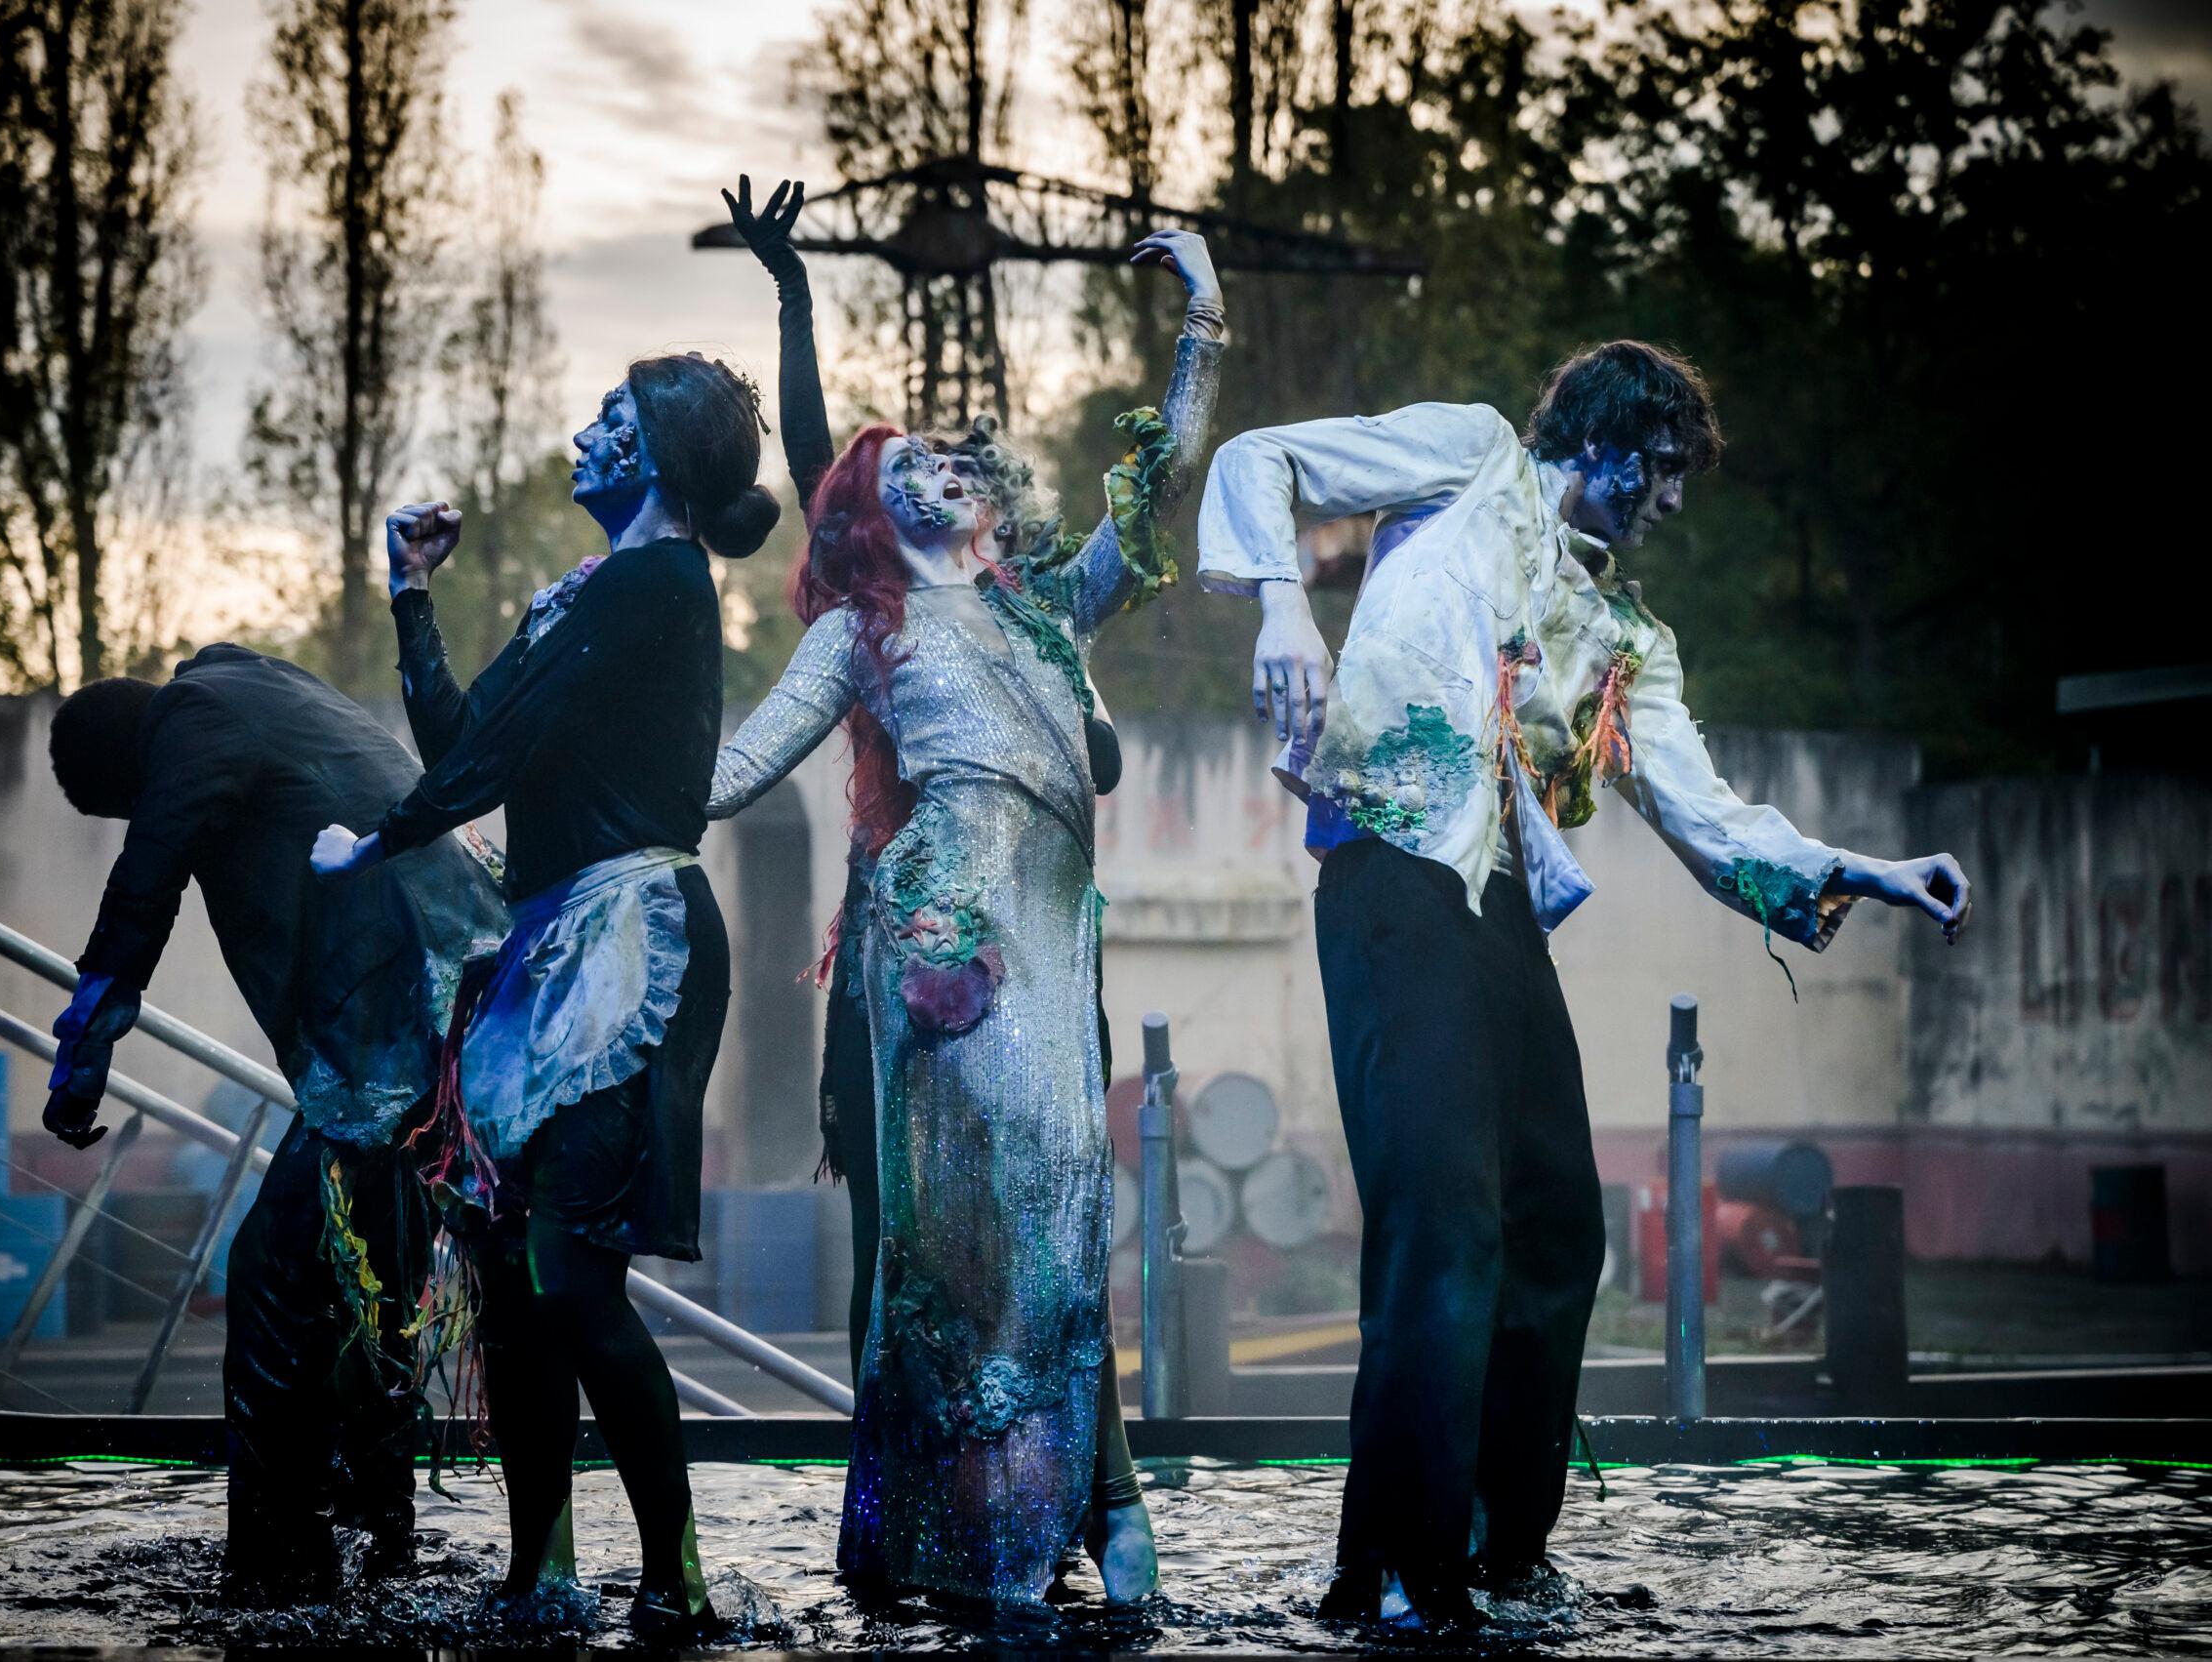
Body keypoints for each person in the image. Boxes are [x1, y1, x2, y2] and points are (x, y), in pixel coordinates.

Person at [1195, 341, 1975, 1630]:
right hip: (1397, 875)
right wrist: (1283, 607)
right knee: (1442, 1223)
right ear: (1608, 435)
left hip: (1503, 911)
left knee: (1558, 1228)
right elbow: (1258, 456)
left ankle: (1506, 1548)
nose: (1672, 499)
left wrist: (1869, 868)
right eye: (1665, 467)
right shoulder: (1473, 456)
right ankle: (1396, 1562)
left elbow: (1706, 812)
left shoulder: (1622, 637)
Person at [706, 196, 1225, 1613]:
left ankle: (1032, 1517)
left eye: (951, 457)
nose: (930, 466)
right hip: (940, 938)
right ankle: (998, 1537)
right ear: (879, 509)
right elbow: (748, 757)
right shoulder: (858, 625)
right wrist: (604, 816)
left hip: (1060, 949)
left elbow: (1160, 485)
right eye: (902, 466)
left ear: (991, 497)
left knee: (1055, 1220)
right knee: (954, 1240)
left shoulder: (1052, 609)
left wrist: (1203, 320)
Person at [308, 351, 775, 1636]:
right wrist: (412, 598)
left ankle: (673, 1570)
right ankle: (539, 1567)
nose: (579, 433)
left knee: (571, 1274)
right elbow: (471, 741)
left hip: (634, 941)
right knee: (515, 1283)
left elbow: (485, 758)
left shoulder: (661, 581)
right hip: (545, 946)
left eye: (610, 421)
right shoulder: (585, 592)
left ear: (659, 457)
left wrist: (386, 838)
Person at [41, 649, 509, 1602]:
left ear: (130, 762)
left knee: (271, 1275)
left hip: (397, 1027)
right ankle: (379, 1549)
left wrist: (82, 1053)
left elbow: (148, 877)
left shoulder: (190, 721)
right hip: (453, 994)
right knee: (362, 1284)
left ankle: (276, 1566)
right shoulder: (251, 678)